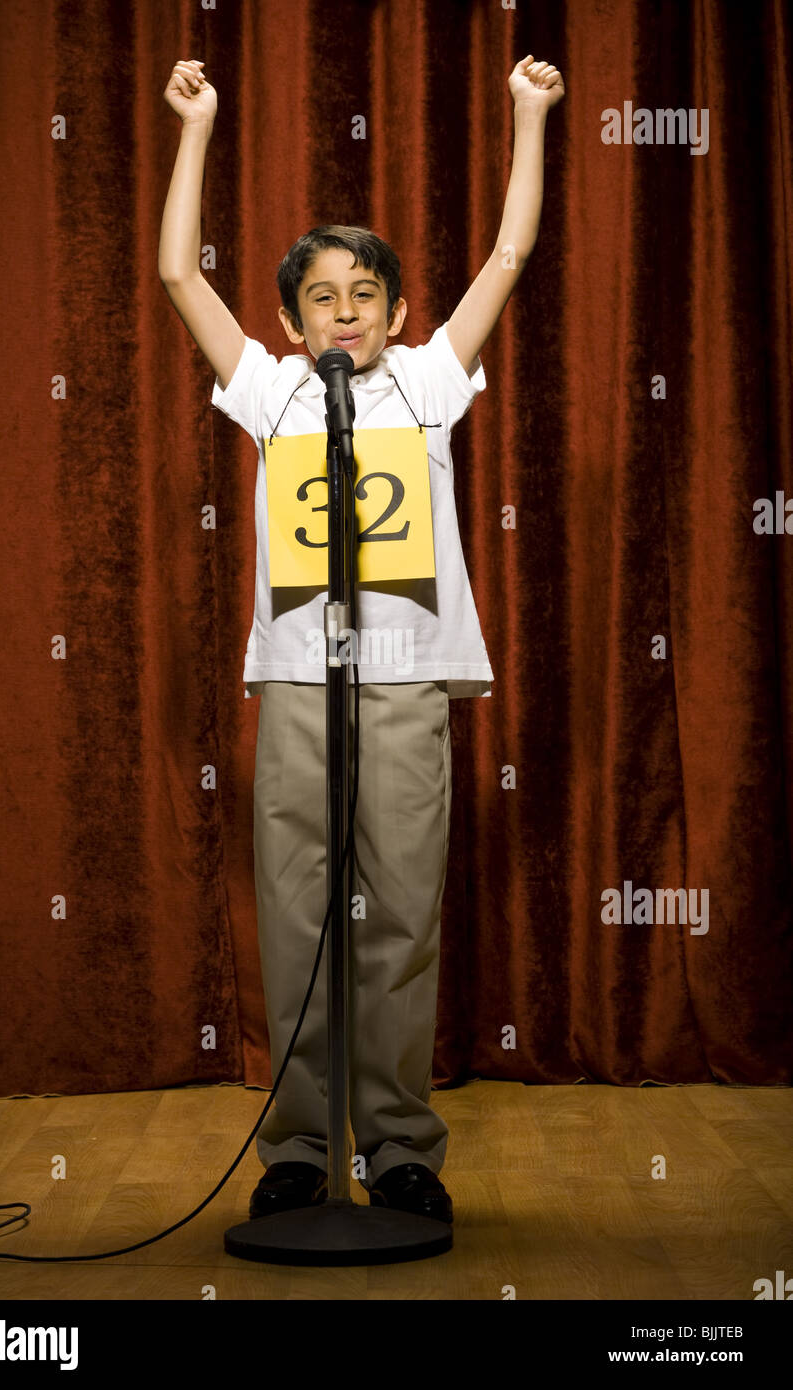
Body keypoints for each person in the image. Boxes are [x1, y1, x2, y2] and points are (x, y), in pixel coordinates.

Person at [158, 53, 564, 1226]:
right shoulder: (273, 392)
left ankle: (394, 1147)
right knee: (296, 915)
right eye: (321, 297)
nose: (344, 311)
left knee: (395, 917)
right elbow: (180, 273)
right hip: (295, 684)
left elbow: (510, 256)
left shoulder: (431, 382)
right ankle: (294, 1146)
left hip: (399, 692)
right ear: (290, 320)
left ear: (396, 312)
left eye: (365, 294)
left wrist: (527, 116)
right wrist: (199, 127)